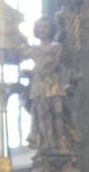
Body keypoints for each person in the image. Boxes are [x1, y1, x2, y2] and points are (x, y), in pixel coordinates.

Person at [22, 17, 73, 153]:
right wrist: (27, 73)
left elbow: (69, 64)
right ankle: (48, 144)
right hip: (39, 84)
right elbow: (18, 56)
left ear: (50, 30)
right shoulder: (33, 49)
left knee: (58, 110)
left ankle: (60, 141)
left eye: (45, 26)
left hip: (54, 82)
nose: (43, 29)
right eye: (40, 27)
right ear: (36, 30)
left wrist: (72, 80)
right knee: (42, 114)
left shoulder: (57, 48)